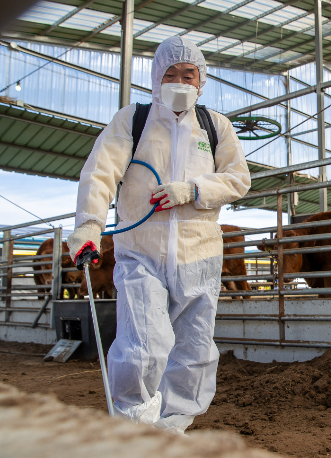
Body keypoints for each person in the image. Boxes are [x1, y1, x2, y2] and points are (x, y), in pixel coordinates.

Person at [67, 36, 251, 434]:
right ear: (156, 77)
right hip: (140, 250)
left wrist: (194, 190)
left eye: (189, 74)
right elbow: (100, 172)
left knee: (195, 350)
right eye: (171, 74)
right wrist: (89, 226)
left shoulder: (215, 125)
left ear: (202, 81)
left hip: (199, 253)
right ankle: (135, 429)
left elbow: (238, 179)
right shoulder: (133, 119)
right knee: (143, 345)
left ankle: (172, 430)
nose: (180, 81)